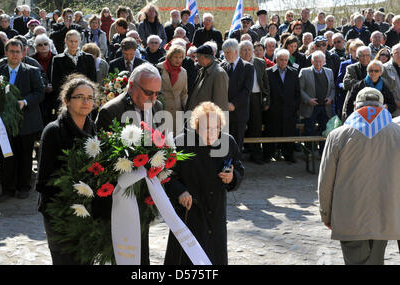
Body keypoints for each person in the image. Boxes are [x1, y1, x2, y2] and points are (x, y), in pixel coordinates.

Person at [318, 87, 400, 265]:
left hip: (349, 214)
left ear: (355, 106)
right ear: (383, 107)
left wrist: (326, 214)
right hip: (385, 213)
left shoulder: (337, 135)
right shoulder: (397, 133)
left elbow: (325, 182)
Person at [95, 64, 164, 265]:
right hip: (120, 192)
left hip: (145, 191)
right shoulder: (111, 111)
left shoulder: (157, 106)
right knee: (122, 247)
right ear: (131, 87)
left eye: (157, 93)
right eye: (149, 92)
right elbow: (104, 159)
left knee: (142, 246)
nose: (153, 98)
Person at [164, 101, 244, 265]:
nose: (212, 133)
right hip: (189, 212)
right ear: (196, 126)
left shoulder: (228, 142)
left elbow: (239, 170)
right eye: (206, 128)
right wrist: (180, 191)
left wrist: (232, 177)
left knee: (214, 257)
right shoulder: (181, 143)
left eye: (216, 128)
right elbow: (166, 176)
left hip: (215, 212)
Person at [36, 74, 97, 265]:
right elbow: (44, 180)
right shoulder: (54, 131)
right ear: (67, 101)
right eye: (80, 97)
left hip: (87, 210)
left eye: (90, 98)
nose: (86, 102)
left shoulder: (93, 128)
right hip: (58, 210)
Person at [0, 39, 45, 202]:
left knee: (24, 156)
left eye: (18, 51)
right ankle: (7, 189)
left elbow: (40, 92)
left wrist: (25, 102)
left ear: (23, 53)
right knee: (6, 156)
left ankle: (24, 187)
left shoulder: (32, 71)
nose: (15, 55)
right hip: (4, 123)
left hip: (27, 122)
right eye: (11, 51)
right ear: (6, 53)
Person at [263, 49, 301, 163]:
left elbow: (297, 93)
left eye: (285, 60)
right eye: (281, 60)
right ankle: (268, 154)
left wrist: (294, 107)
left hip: (289, 110)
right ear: (276, 60)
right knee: (271, 132)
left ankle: (288, 155)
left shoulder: (294, 72)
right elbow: (266, 91)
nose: (283, 62)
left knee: (289, 132)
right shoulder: (269, 72)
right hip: (273, 109)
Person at [239, 40, 270, 164]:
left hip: (256, 98)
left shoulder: (260, 62)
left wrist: (266, 100)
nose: (246, 52)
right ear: (240, 51)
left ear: (253, 50)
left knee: (256, 127)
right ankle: (239, 156)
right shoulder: (237, 63)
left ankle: (256, 155)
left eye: (248, 49)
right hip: (241, 99)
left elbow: (265, 83)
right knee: (240, 126)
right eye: (244, 50)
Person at [220, 39, 254, 151]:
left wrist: (234, 104)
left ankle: (236, 167)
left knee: (236, 144)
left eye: (227, 52)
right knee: (223, 145)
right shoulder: (222, 66)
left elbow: (246, 90)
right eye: (224, 52)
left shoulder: (247, 67)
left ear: (235, 51)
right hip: (224, 112)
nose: (225, 55)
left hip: (239, 112)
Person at [299, 51, 336, 153]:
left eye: (320, 61)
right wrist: (308, 100)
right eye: (316, 61)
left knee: (324, 130)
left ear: (324, 61)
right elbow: (300, 89)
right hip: (310, 106)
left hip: (325, 106)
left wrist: (331, 98)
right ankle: (309, 152)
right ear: (312, 61)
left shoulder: (329, 71)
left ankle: (323, 152)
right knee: (309, 129)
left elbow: (333, 88)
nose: (318, 63)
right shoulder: (304, 71)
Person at [51, 30, 97, 96]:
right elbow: (55, 83)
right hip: (66, 96)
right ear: (66, 41)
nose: (73, 44)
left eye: (76, 41)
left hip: (85, 95)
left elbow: (93, 80)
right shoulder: (57, 59)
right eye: (71, 41)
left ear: (80, 41)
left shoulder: (88, 58)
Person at [186, 45, 228, 112]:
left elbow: (220, 103)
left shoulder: (219, 74)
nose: (197, 60)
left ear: (203, 57)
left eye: (198, 57)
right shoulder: (202, 70)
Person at [156, 45, 188, 135]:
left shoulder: (183, 72)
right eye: (176, 57)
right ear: (170, 56)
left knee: (177, 140)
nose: (178, 60)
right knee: (162, 139)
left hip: (177, 111)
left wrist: (186, 109)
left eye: (181, 57)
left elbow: (184, 93)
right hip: (162, 109)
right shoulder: (159, 68)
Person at [31, 34, 57, 126]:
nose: (43, 46)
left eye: (45, 44)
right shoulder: (31, 59)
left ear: (49, 45)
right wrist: (43, 87)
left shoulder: (57, 58)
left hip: (53, 94)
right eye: (40, 45)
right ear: (36, 47)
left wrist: (53, 85)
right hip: (37, 93)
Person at [382, 43, 400, 117]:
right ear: (392, 55)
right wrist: (396, 102)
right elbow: (383, 90)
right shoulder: (384, 69)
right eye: (396, 53)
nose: (399, 55)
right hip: (393, 112)